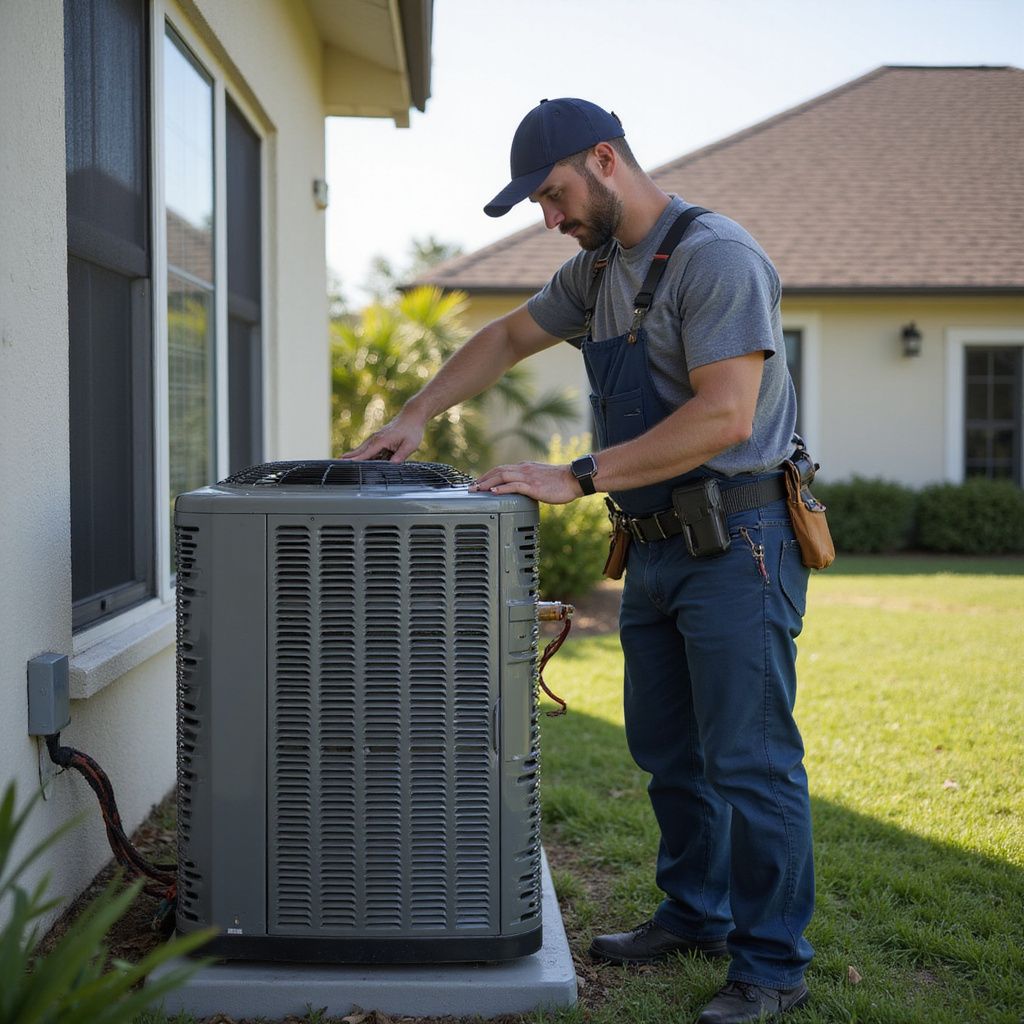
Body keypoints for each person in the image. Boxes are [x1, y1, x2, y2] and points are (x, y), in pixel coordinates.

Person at [344, 97, 815, 1024]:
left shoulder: (717, 258)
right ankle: (697, 914)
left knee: (750, 762)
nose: (548, 219)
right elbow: (507, 336)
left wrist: (578, 474)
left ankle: (771, 964)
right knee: (669, 752)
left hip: (739, 543)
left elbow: (726, 414)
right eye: (537, 206)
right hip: (654, 547)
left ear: (605, 160)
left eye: (553, 195)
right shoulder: (596, 269)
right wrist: (415, 414)